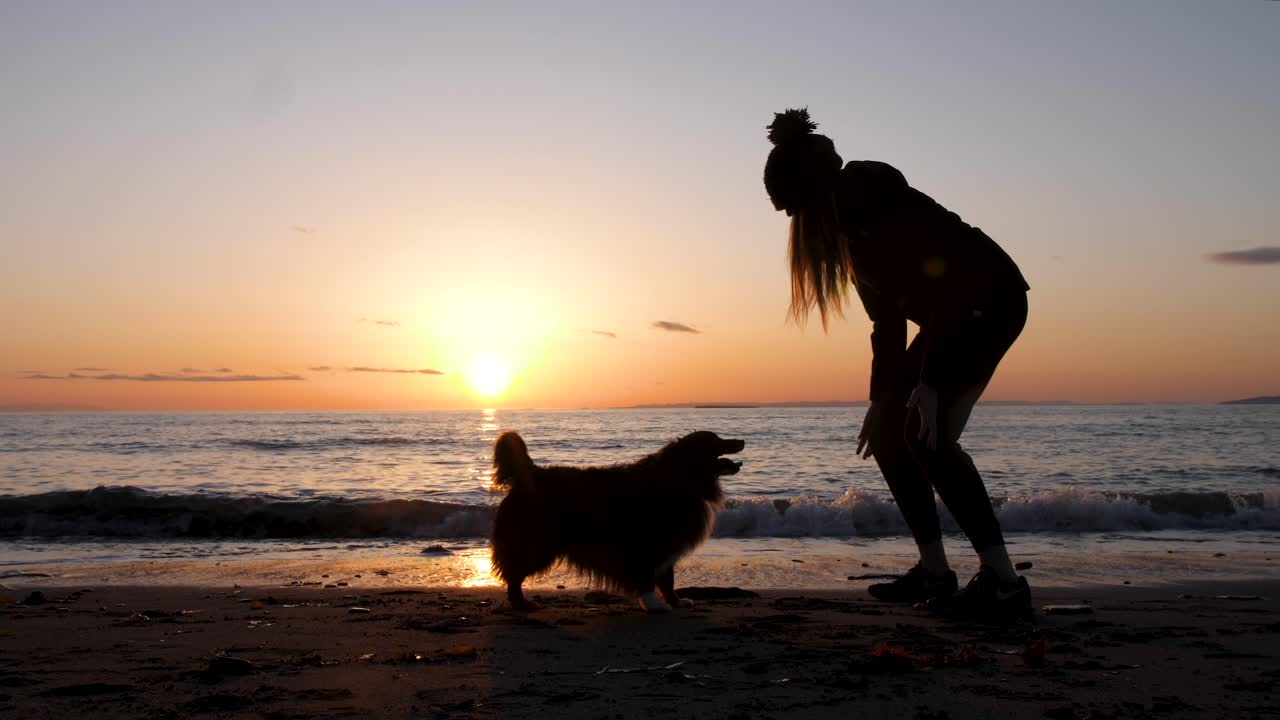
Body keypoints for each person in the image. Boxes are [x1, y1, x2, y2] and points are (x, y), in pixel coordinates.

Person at [763, 108, 1032, 618]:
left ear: (813, 193)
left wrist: (930, 383)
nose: (797, 225)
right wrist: (879, 399)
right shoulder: (852, 234)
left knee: (927, 438)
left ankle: (1005, 585)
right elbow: (886, 326)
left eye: (795, 210)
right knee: (889, 431)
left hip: (986, 302)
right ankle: (935, 573)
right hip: (950, 315)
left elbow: (947, 284)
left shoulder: (874, 202)